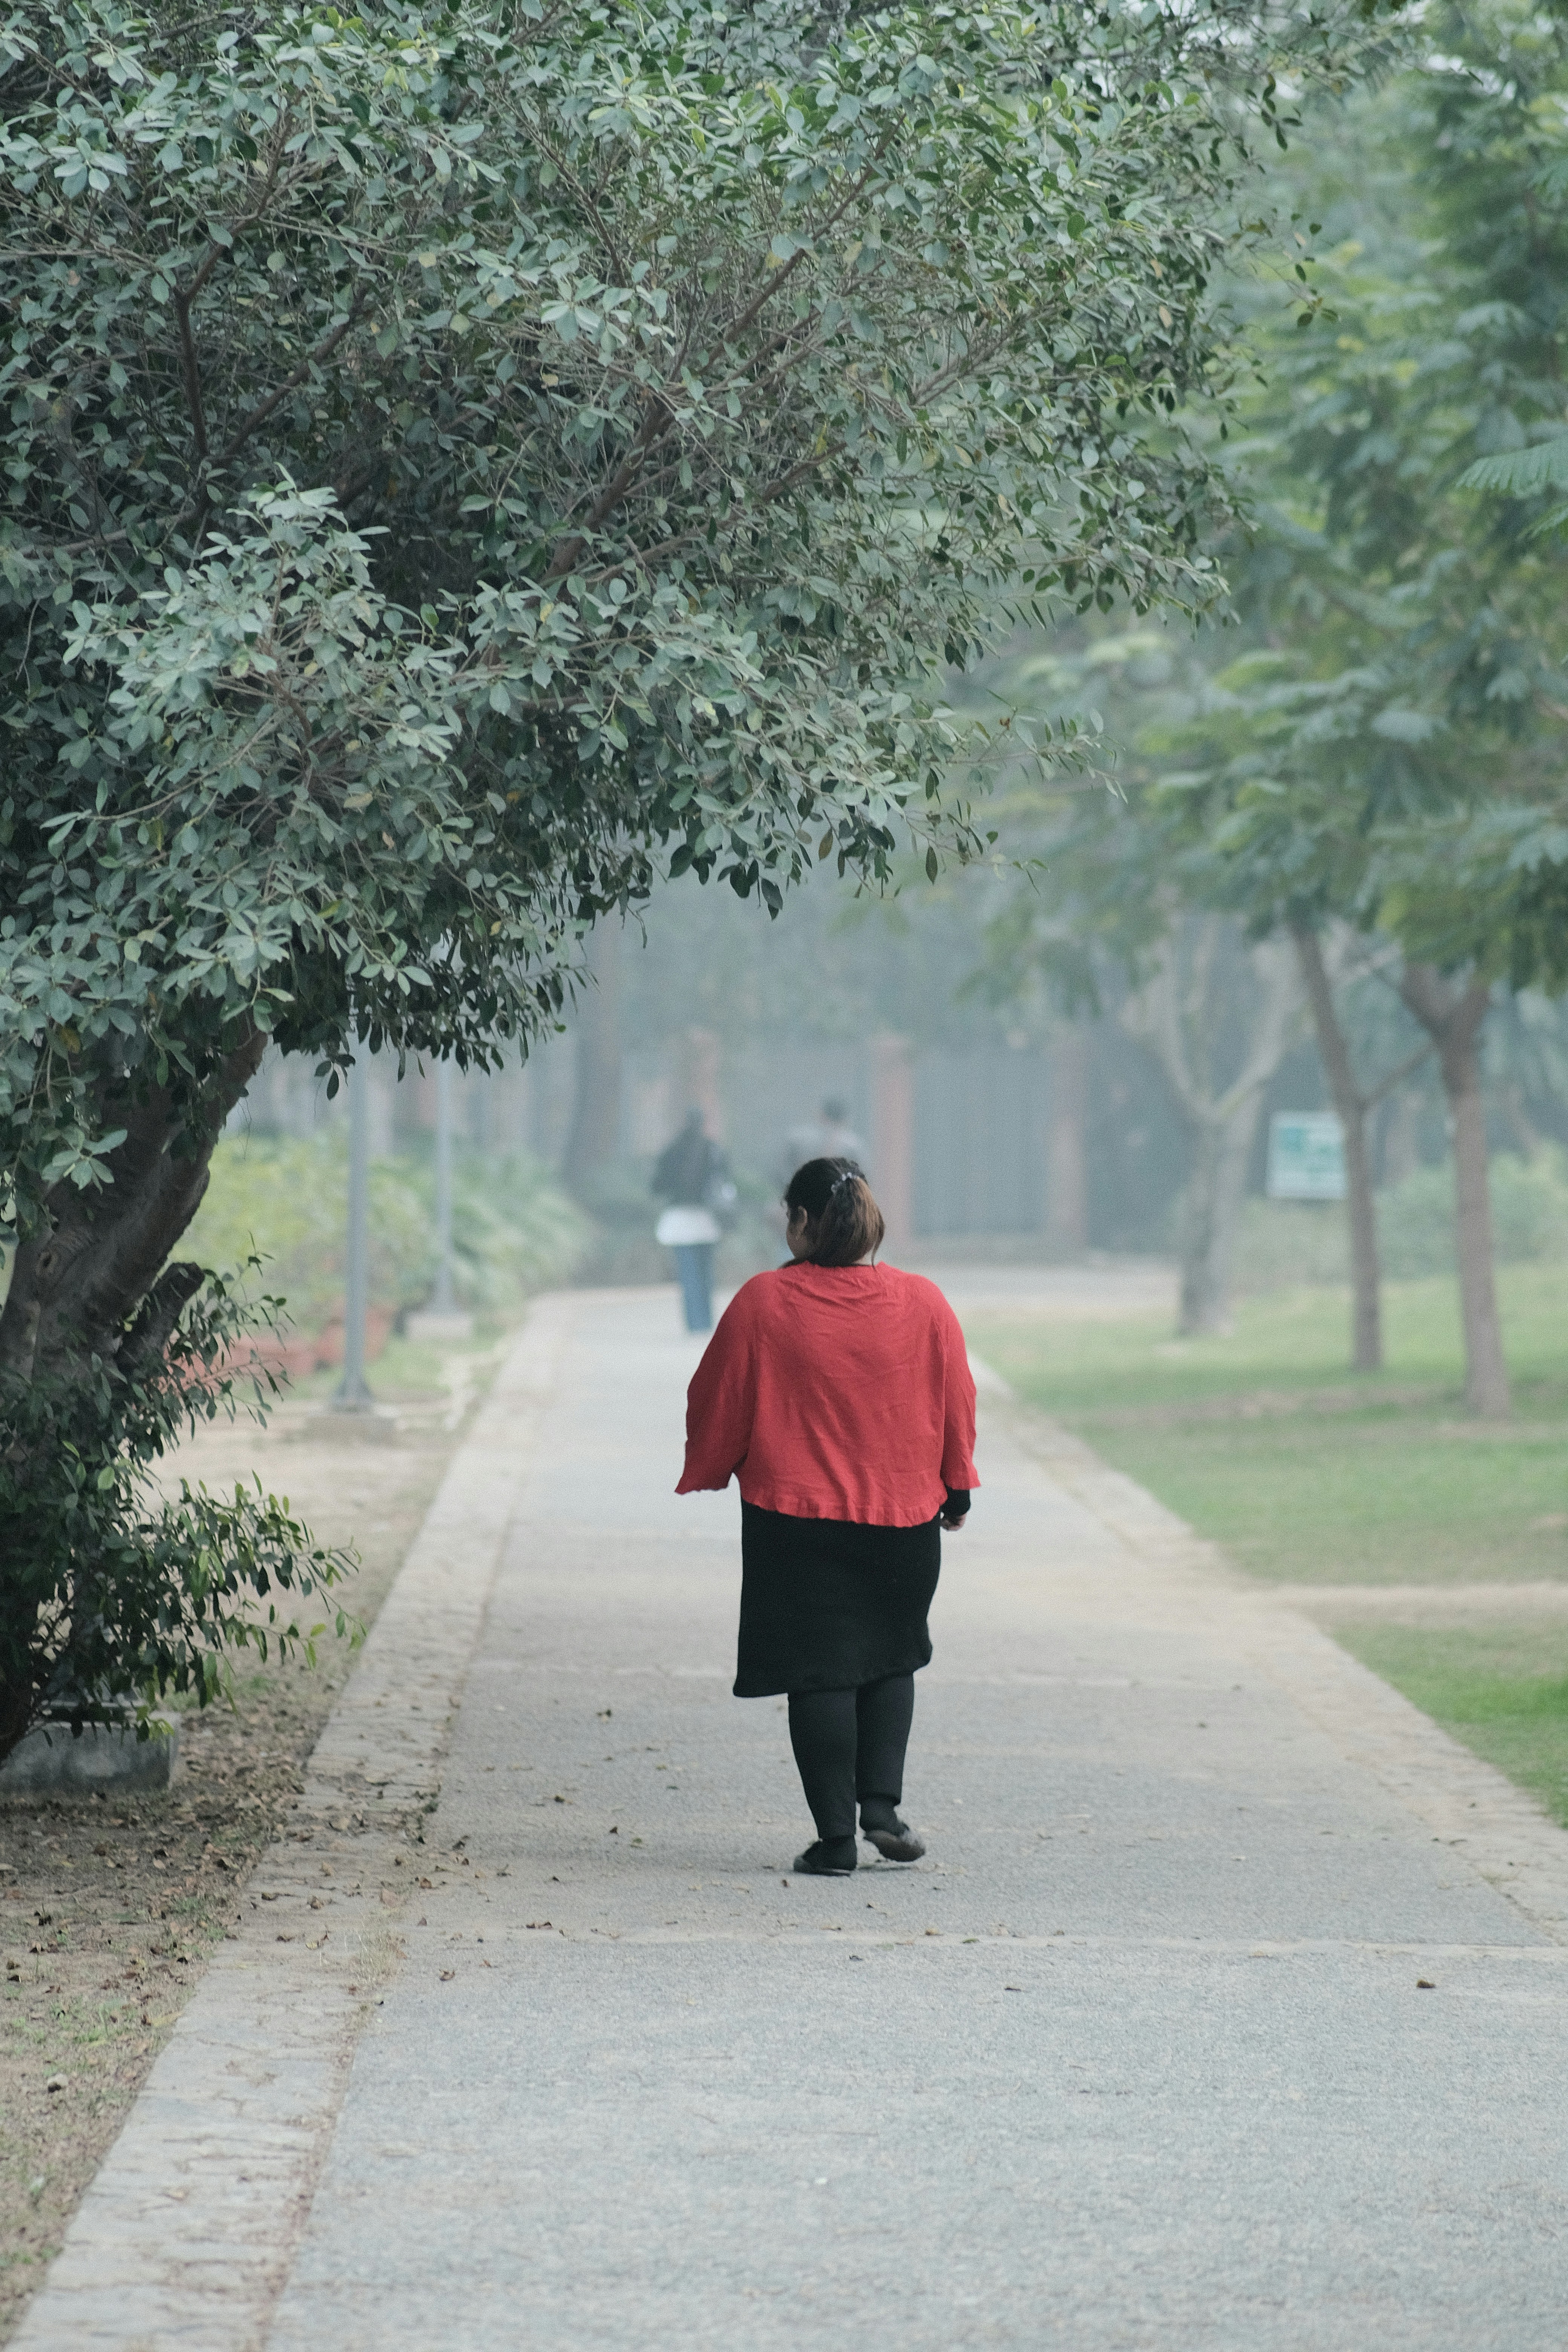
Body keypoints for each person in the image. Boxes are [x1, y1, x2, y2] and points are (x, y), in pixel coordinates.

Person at [676, 1156, 977, 1875]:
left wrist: (712, 1463)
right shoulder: (925, 1302)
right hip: (904, 1521)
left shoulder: (765, 1302)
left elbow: (717, 1394)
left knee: (820, 1674)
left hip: (796, 1523)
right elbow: (956, 1400)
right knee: (893, 1658)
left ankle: (836, 1840)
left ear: (805, 1221)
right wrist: (957, 1485)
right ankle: (883, 1810)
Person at [652, 1109, 733, 1333]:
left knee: (688, 1273)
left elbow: (657, 1186)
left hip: (679, 1220)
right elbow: (725, 1183)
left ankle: (694, 1323)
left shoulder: (672, 1151)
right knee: (706, 1273)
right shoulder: (714, 1150)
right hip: (708, 1219)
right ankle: (706, 1321)